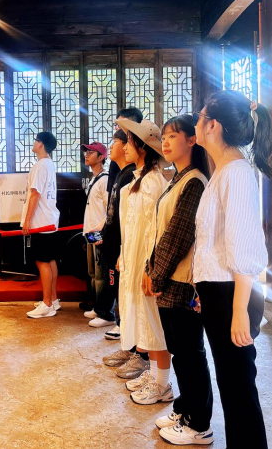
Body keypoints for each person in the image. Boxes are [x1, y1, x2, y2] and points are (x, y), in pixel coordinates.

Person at [181, 90, 272, 448]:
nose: (196, 124)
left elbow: (243, 245)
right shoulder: (224, 171)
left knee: (238, 389)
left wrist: (237, 311)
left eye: (200, 117)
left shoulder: (236, 172)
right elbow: (214, 243)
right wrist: (202, 291)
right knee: (232, 386)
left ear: (213, 126)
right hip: (219, 293)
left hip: (233, 294)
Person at [136, 115, 214, 443]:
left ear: (192, 140)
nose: (165, 142)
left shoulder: (195, 181)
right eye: (164, 136)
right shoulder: (179, 178)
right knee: (181, 352)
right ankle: (185, 408)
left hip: (183, 283)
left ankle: (200, 425)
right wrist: (150, 268)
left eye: (172, 135)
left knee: (190, 353)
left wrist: (156, 275)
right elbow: (162, 232)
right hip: (170, 279)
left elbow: (179, 236)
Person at [110, 119, 169, 383]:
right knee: (139, 313)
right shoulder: (137, 181)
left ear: (142, 147)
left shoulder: (152, 182)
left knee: (150, 318)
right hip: (133, 258)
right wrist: (124, 254)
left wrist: (149, 266)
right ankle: (150, 371)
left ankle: (158, 379)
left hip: (145, 262)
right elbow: (131, 227)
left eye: (129, 142)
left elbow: (153, 231)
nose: (124, 147)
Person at [80, 107, 143, 312]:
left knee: (108, 274)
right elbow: (112, 204)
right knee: (96, 272)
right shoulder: (117, 171)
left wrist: (105, 229)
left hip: (115, 233)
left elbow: (117, 208)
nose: (116, 130)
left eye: (120, 126)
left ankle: (107, 312)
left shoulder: (131, 173)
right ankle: (101, 308)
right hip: (101, 228)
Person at [95, 130, 136, 339]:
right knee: (114, 282)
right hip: (112, 241)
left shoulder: (131, 174)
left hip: (121, 243)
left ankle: (122, 324)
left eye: (117, 142)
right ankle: (121, 322)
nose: (112, 146)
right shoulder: (121, 173)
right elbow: (113, 211)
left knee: (119, 283)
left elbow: (128, 216)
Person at [23, 132, 61, 319]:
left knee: (42, 261)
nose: (34, 142)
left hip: (41, 221)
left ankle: (47, 305)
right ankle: (53, 299)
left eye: (36, 140)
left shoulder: (41, 165)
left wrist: (27, 220)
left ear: (41, 144)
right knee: (50, 259)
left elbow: (35, 194)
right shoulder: (49, 164)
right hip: (49, 219)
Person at [80, 142, 114, 327]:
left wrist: (100, 231)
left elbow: (110, 209)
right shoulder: (94, 179)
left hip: (99, 233)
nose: (87, 154)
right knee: (93, 273)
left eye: (91, 152)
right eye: (86, 151)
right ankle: (97, 307)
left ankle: (105, 313)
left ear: (101, 157)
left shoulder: (105, 179)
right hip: (91, 232)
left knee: (102, 275)